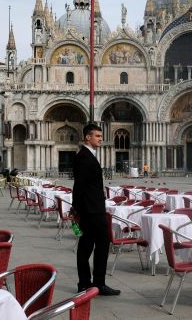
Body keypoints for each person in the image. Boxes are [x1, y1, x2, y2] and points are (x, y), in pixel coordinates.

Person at [72, 123, 120, 296]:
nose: (101, 139)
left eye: (100, 136)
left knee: (86, 246)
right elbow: (79, 186)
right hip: (92, 211)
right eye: (97, 136)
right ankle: (97, 284)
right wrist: (76, 210)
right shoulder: (84, 157)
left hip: (91, 209)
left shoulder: (87, 155)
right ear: (88, 137)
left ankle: (85, 283)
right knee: (100, 245)